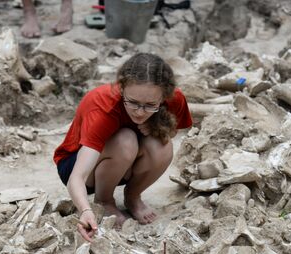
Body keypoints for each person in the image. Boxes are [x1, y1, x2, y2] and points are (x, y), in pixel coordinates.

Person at [54, 53, 193, 241]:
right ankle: (104, 200)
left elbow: (172, 132)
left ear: (164, 97)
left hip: (125, 164)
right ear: (121, 88)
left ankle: (133, 196)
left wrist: (156, 125)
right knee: (125, 140)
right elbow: (76, 176)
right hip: (79, 167)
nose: (139, 111)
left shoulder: (175, 99)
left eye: (150, 105)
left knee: (162, 145)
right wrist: (85, 210)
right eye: (133, 102)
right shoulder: (102, 105)